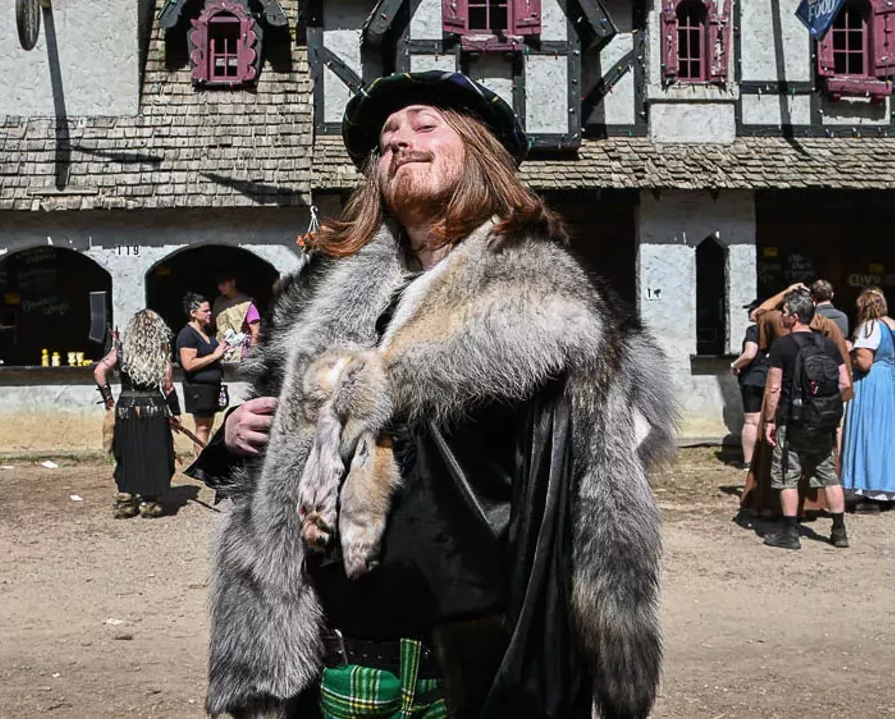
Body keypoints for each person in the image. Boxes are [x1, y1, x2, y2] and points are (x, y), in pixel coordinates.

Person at [196, 71, 674, 719]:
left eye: (425, 125)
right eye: (387, 136)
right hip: (334, 651)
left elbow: (606, 482)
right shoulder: (323, 296)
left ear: (477, 151)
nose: (399, 141)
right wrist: (234, 433)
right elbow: (272, 422)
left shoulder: (540, 295)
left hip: (475, 664)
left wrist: (609, 645)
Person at [740, 282, 854, 516]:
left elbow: (757, 313)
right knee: (825, 467)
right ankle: (835, 523)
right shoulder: (830, 330)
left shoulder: (780, 332)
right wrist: (832, 405)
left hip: (788, 406)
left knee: (785, 468)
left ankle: (785, 518)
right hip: (822, 407)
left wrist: (785, 290)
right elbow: (845, 381)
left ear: (792, 314)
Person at [760, 290, 851, 550]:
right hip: (823, 421)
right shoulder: (828, 344)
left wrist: (769, 419)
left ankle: (790, 533)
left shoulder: (783, 346)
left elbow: (774, 388)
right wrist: (825, 406)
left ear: (795, 317)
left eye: (785, 313)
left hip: (793, 420)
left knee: (788, 474)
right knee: (828, 474)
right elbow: (844, 382)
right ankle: (839, 530)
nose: (783, 316)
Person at [93, 310, 180, 518]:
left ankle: (126, 501)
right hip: (154, 407)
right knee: (154, 453)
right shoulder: (161, 349)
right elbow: (167, 385)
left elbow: (99, 371)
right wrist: (175, 412)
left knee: (128, 452)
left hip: (126, 409)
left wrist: (108, 400)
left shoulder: (121, 349)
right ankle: (150, 503)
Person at [841, 288, 895, 513]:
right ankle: (889, 491)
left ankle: (871, 491)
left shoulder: (869, 327)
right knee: (889, 434)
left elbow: (865, 362)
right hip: (891, 380)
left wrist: (850, 351)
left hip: (872, 382)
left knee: (870, 432)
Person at [175, 292, 226, 451]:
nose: (210, 313)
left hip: (211, 387)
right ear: (193, 313)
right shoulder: (187, 335)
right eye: (205, 311)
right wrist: (214, 356)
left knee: (208, 425)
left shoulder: (206, 332)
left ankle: (205, 462)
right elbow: (188, 364)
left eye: (209, 310)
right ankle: (201, 465)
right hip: (198, 388)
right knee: (202, 428)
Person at [730, 300, 767, 466]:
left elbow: (749, 354)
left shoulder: (754, 330)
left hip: (754, 379)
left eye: (752, 309)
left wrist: (735, 365)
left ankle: (749, 461)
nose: (749, 313)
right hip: (776, 379)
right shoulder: (781, 330)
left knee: (752, 421)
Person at [211, 274, 257, 362]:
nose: (220, 288)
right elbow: (211, 325)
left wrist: (251, 354)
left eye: (223, 284)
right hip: (220, 351)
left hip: (240, 353)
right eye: (219, 285)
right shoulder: (218, 302)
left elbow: (255, 330)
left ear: (233, 282)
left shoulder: (246, 303)